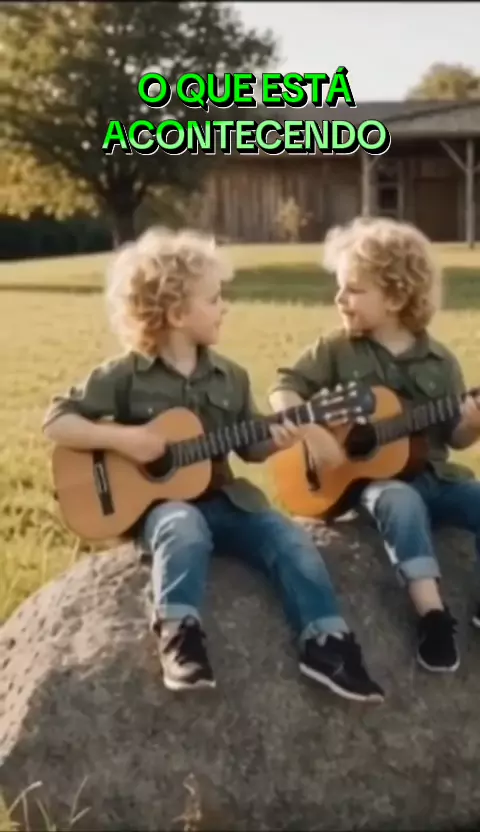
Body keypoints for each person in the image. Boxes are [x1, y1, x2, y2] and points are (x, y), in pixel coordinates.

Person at [42, 226, 383, 702]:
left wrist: (284, 436)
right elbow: (57, 421)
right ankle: (179, 635)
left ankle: (326, 641)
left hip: (226, 501)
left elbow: (251, 447)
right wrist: (126, 439)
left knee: (287, 537)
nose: (225, 307)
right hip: (162, 509)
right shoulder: (124, 375)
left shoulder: (231, 376)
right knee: (182, 527)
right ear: (177, 313)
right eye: (214, 298)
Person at [269, 216, 480, 675]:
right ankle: (433, 616)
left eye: (353, 290)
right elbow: (284, 388)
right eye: (340, 288)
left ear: (397, 297)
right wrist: (313, 433)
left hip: (436, 477)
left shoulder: (440, 361)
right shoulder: (337, 348)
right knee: (399, 499)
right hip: (372, 485)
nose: (339, 299)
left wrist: (473, 425)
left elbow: (454, 438)